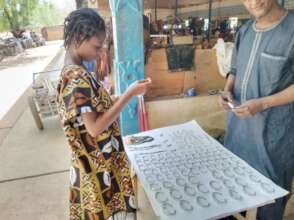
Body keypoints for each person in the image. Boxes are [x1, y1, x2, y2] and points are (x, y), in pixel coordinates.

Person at [56, 8, 152, 220]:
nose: (100, 53)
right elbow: (95, 127)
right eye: (97, 47)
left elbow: (95, 108)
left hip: (94, 164)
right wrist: (129, 94)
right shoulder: (76, 77)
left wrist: (121, 95)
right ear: (80, 37)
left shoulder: (74, 69)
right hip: (95, 168)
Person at [219, 0, 294, 219]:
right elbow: (235, 69)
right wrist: (226, 90)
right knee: (230, 196)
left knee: (270, 199)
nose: (253, 2)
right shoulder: (244, 31)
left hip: (274, 140)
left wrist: (262, 103)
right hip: (238, 135)